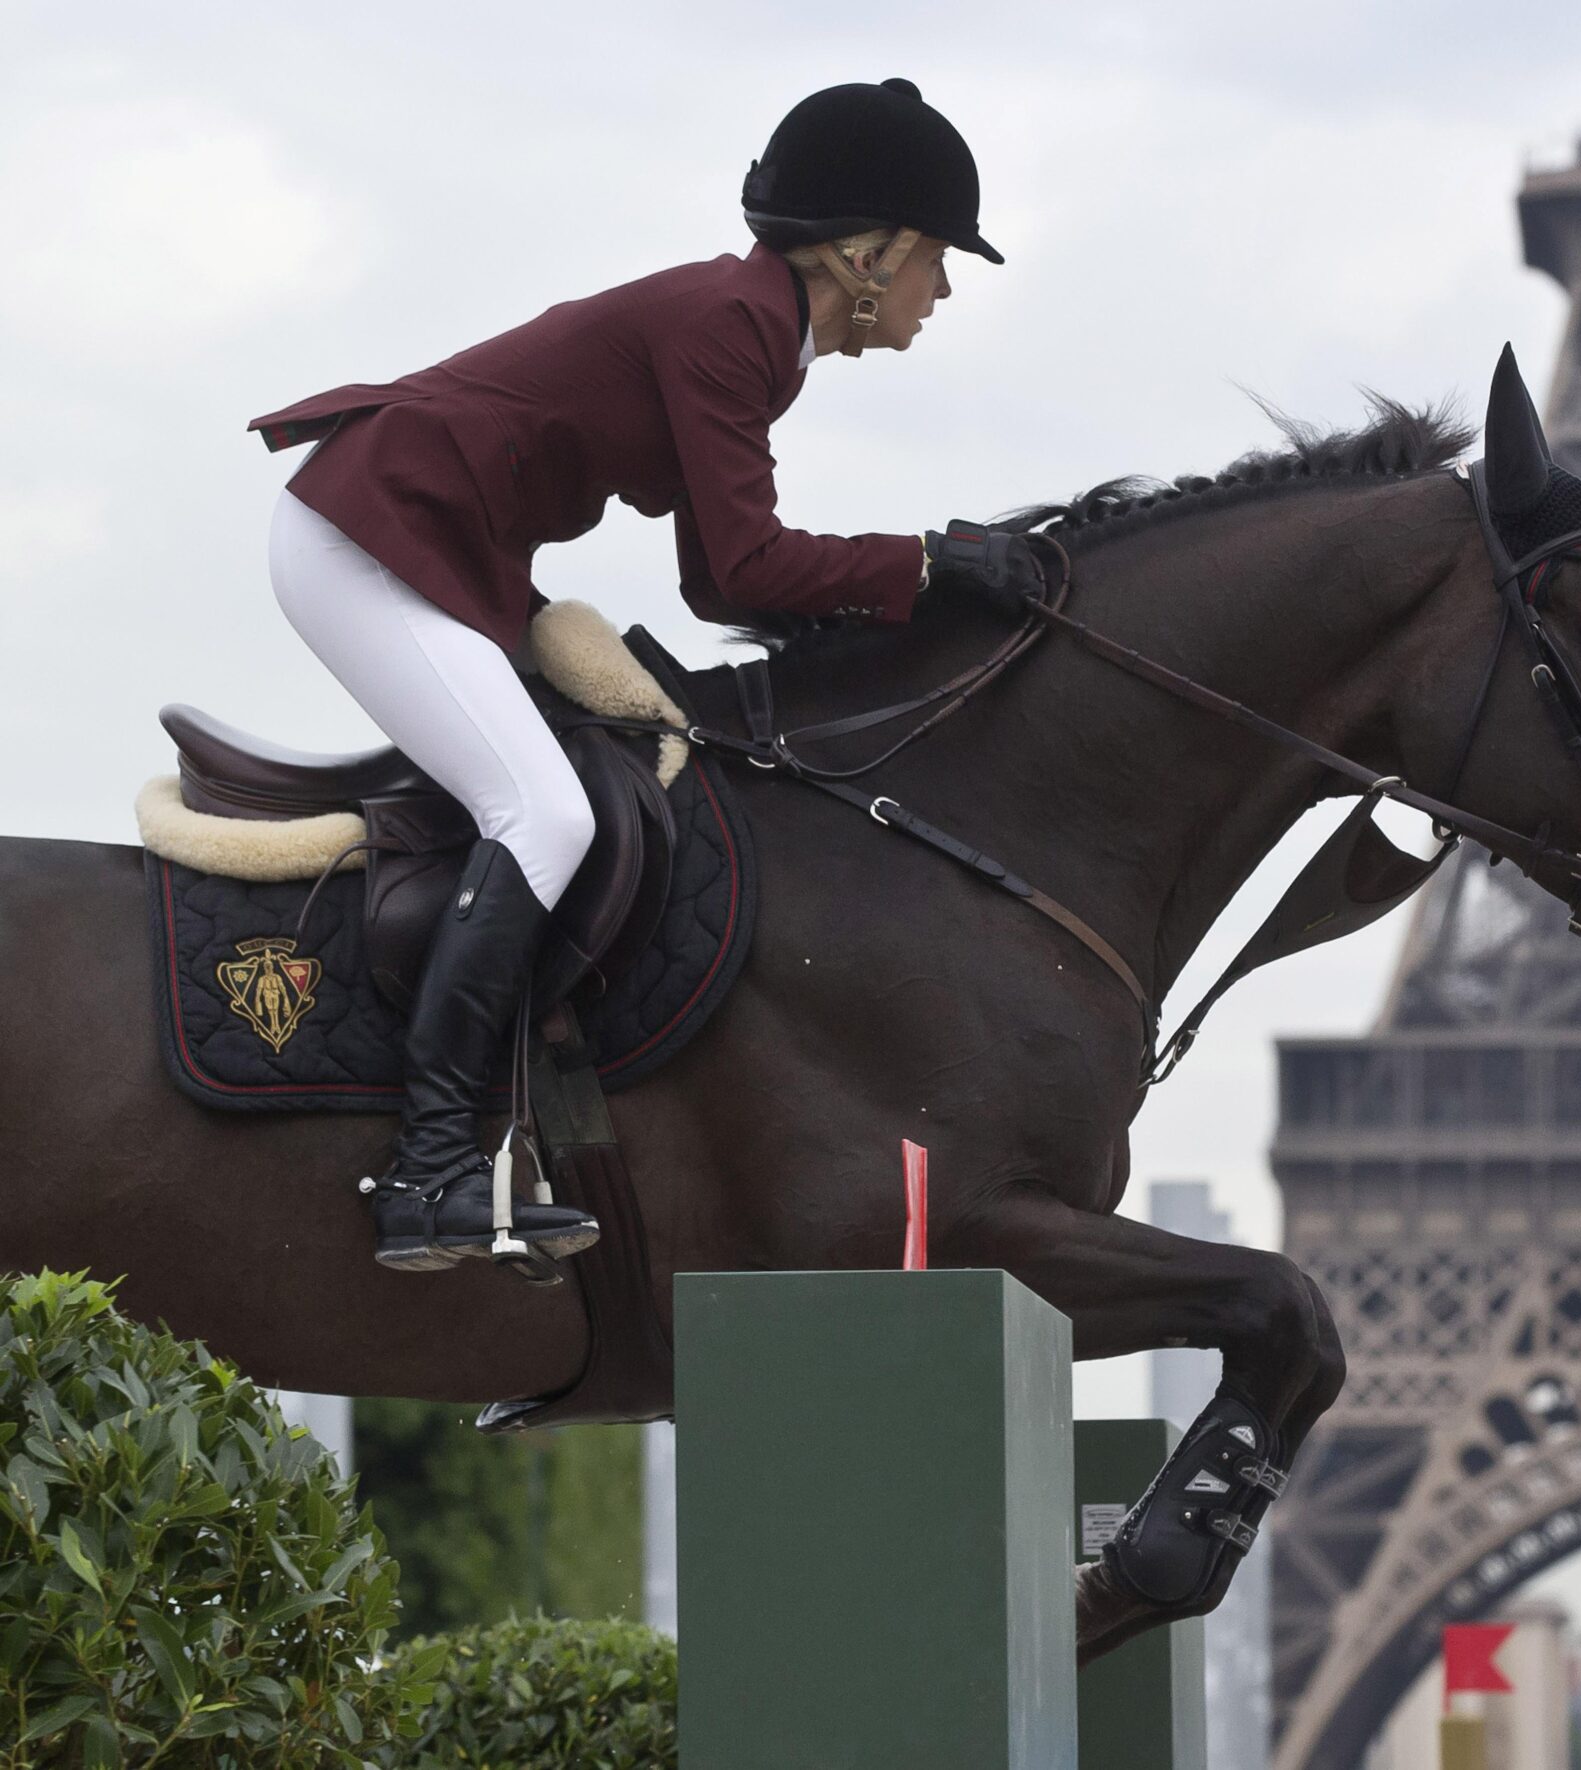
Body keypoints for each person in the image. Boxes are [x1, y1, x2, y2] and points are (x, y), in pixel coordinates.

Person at [248, 80, 1049, 1273]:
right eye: (939, 261)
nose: (943, 293)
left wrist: (917, 582)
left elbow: (721, 588)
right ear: (867, 254)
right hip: (368, 538)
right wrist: (929, 563)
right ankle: (427, 1170)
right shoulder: (731, 324)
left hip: (427, 549)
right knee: (546, 811)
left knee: (576, 791)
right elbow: (750, 560)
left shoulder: (755, 335)